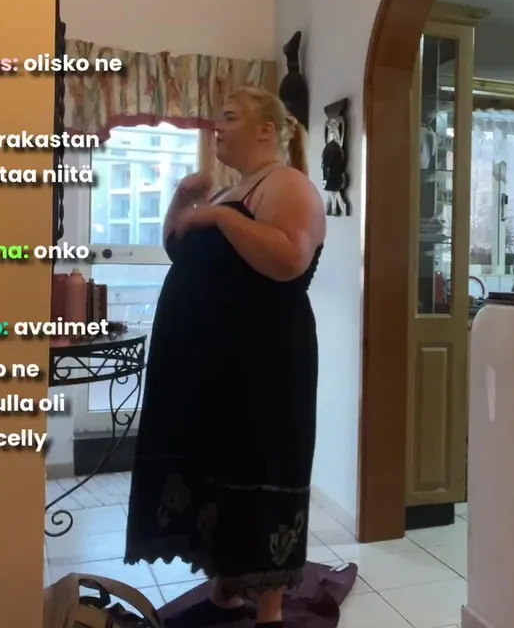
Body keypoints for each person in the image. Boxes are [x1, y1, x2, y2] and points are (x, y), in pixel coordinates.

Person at [124, 87, 325, 628]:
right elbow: (180, 249)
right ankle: (224, 593)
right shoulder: (233, 190)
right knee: (219, 469)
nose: (217, 127)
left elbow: (289, 257)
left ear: (266, 130)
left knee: (258, 466)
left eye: (229, 118)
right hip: (213, 363)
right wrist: (183, 200)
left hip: (261, 361)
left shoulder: (287, 184)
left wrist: (216, 218)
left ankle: (270, 612)